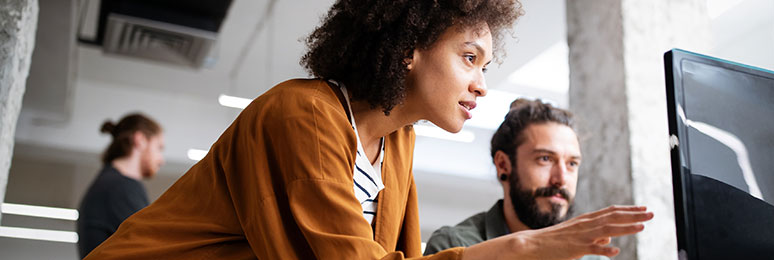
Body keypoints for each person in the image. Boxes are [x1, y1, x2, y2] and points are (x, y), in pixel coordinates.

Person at [84, 1, 652, 259]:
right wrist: (528, 246)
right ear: (409, 48)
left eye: (487, 66)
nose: (481, 84)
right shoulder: (303, 115)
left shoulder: (397, 144)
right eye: (469, 57)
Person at [425, 99, 613, 259]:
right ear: (503, 165)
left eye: (572, 164)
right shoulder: (455, 247)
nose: (561, 179)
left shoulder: (589, 253)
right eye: (545, 159)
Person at [77, 113, 164, 258]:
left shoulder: (109, 183)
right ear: (140, 140)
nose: (161, 160)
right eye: (159, 148)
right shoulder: (120, 187)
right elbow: (152, 249)